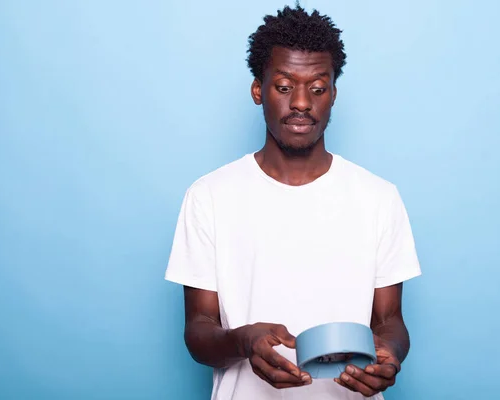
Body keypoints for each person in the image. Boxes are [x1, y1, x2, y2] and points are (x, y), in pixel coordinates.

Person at [165, 4, 421, 400]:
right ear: (258, 90)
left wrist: (391, 355)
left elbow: (390, 321)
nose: (301, 102)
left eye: (317, 88)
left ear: (332, 94)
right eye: (284, 87)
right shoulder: (210, 196)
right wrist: (244, 343)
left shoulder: (378, 198)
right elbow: (198, 331)